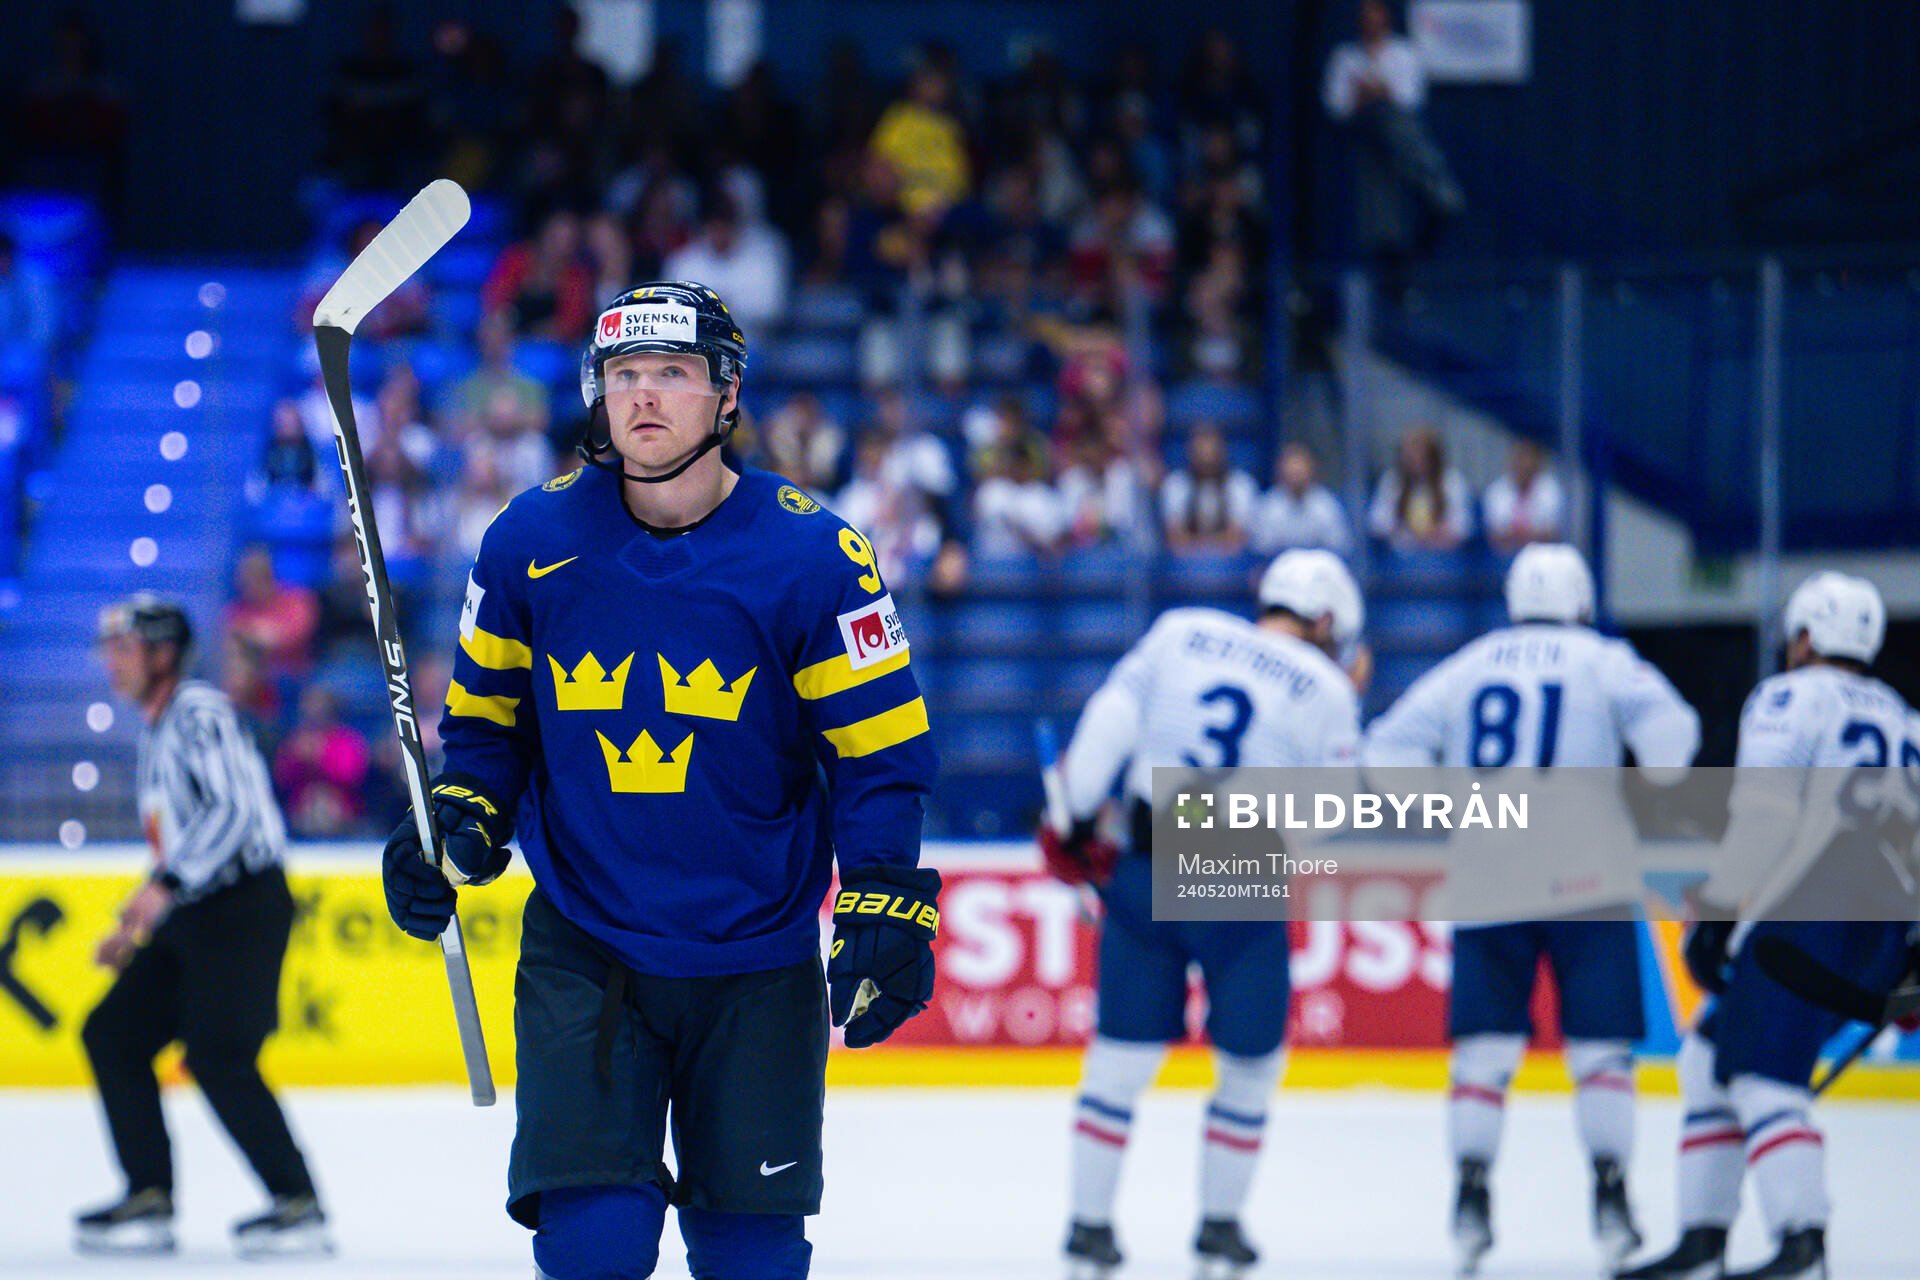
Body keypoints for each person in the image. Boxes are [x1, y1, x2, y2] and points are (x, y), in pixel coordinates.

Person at [379, 281, 941, 1280]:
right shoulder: (528, 541)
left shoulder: (817, 555)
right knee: (593, 1244)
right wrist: (456, 823)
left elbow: (878, 753)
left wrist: (886, 889)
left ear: (727, 394)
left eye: (673, 372)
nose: (643, 394)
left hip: (757, 955)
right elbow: (486, 731)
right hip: (586, 943)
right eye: (624, 374)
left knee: (751, 1257)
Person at [1363, 545, 1701, 1275]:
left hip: (1491, 871)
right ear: (1580, 599)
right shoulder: (1605, 661)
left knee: (1482, 1056)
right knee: (1601, 1053)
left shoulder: (1469, 664)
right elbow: (1673, 747)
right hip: (1590, 875)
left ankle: (1470, 1196)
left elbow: (1384, 750)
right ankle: (1611, 1194)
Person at [1045, 549, 1366, 1277]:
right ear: (1325, 621)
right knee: (1249, 1064)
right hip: (1241, 874)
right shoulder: (1328, 688)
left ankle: (1087, 1230)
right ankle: (1220, 1227)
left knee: (1117, 1063)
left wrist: (1074, 819)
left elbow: (1109, 722)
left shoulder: (1181, 631)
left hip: (1148, 859)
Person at [1622, 573, 1916, 1280]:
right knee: (1709, 1061)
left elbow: (1765, 812)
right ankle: (1704, 1240)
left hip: (1815, 910)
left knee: (1761, 1075)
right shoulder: (1907, 720)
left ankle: (1802, 1243)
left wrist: (1720, 910)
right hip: (1884, 925)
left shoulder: (1791, 697)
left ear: (1807, 636)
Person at [75, 595, 328, 1258]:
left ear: (163, 654)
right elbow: (182, 840)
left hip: (242, 905)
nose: (111, 661)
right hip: (196, 908)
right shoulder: (159, 729)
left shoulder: (197, 712)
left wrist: (163, 887)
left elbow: (233, 811)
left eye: (124, 648)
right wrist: (138, 917)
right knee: (113, 1034)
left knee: (219, 1057)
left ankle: (298, 1203)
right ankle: (149, 1194)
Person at [1368, 425, 1472, 551]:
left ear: (1433, 457)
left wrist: (1439, 531)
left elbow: (1463, 526)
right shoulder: (1392, 481)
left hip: (1441, 553)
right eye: (1410, 458)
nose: (1416, 462)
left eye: (1422, 457)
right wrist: (1403, 528)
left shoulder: (1452, 481)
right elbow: (1377, 523)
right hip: (1402, 553)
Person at [1250, 443, 1352, 557]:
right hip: (1280, 562)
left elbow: (1338, 546)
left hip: (1319, 562)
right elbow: (1261, 548)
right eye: (1291, 471)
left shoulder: (1326, 504)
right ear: (1281, 472)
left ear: (1311, 470)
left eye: (1300, 470)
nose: (1296, 476)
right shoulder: (1270, 505)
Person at [1482, 439, 1566, 554]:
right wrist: (1531, 534)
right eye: (1519, 459)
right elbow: (1496, 537)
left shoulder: (1550, 489)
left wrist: (1517, 534)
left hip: (1541, 553)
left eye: (1527, 460)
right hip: (1506, 555)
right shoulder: (1496, 490)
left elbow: (1551, 534)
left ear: (1537, 464)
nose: (1523, 465)